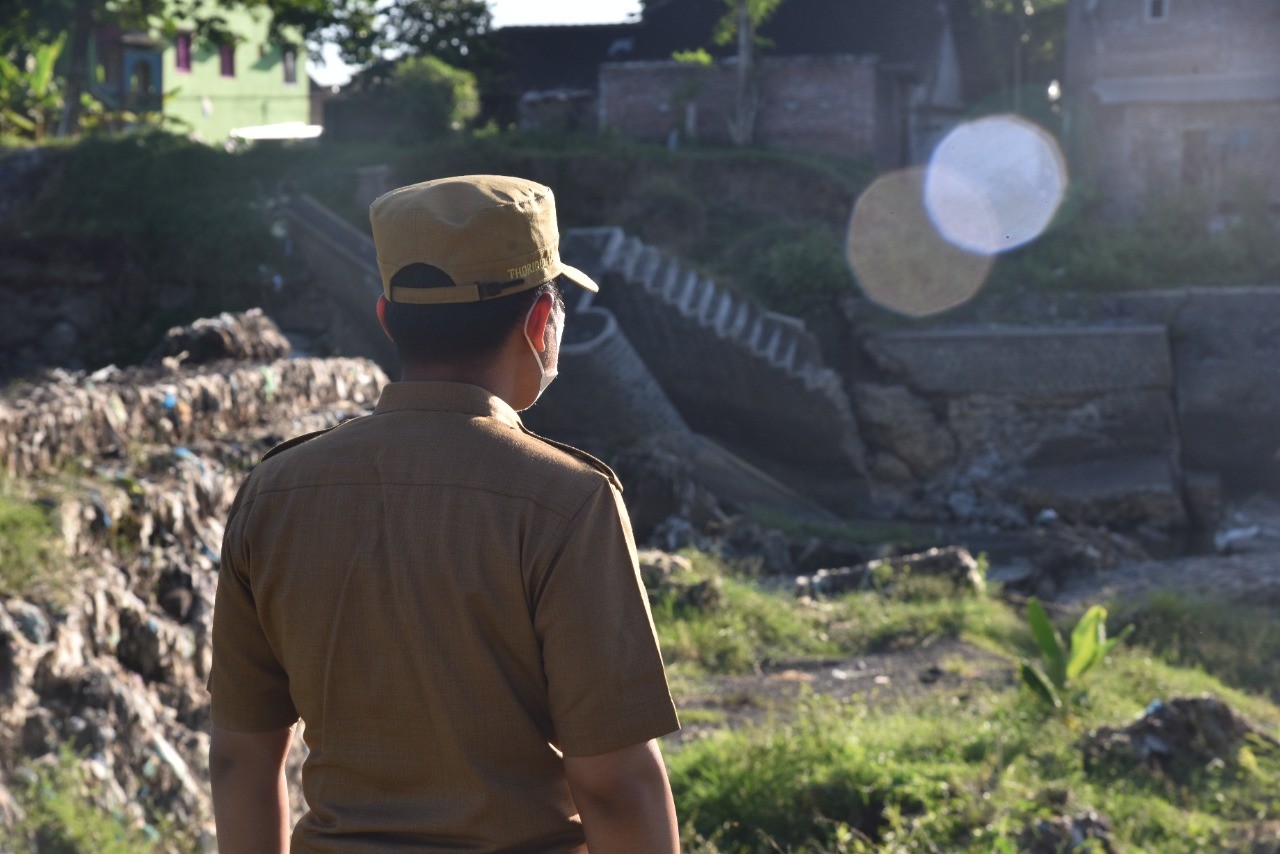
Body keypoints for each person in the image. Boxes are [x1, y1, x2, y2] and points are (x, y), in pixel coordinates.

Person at [207, 175, 681, 852]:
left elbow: (241, 760)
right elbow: (614, 784)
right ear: (541, 324)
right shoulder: (564, 502)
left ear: (386, 317)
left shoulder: (275, 492)